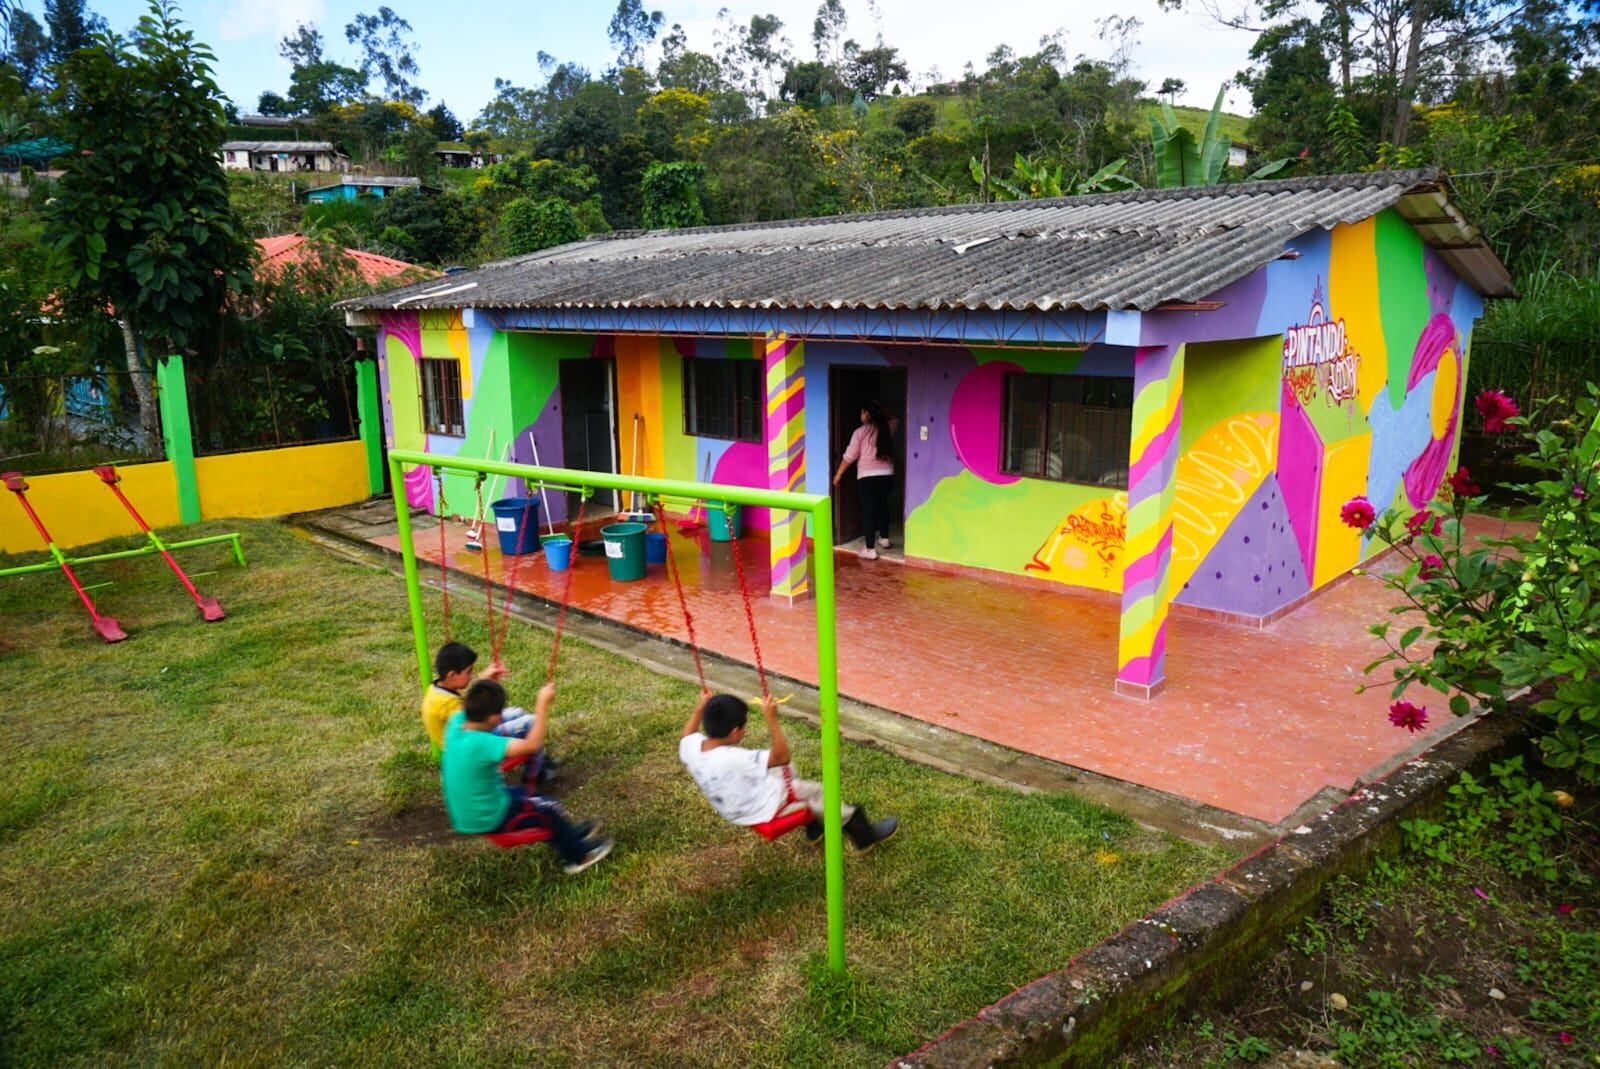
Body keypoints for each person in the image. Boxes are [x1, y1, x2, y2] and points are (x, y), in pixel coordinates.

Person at [678, 690, 898, 851]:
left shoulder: (693, 747)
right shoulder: (735, 758)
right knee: (819, 792)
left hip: (735, 804)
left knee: (784, 769)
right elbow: (781, 756)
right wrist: (772, 719)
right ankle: (862, 834)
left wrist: (700, 707)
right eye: (745, 725)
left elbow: (687, 735)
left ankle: (814, 830)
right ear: (735, 731)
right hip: (764, 809)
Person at [442, 679, 612, 875]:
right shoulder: (482, 743)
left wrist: (489, 679)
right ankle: (578, 857)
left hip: (469, 811)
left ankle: (568, 835)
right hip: (490, 816)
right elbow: (532, 745)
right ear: (493, 718)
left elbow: (477, 702)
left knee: (535, 801)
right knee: (549, 810)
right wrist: (542, 704)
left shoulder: (456, 724)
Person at [422, 641, 559, 784]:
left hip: (469, 734)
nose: (471, 675)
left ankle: (538, 760)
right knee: (532, 722)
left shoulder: (436, 690)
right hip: (471, 747)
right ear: (451, 675)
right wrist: (485, 686)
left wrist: (484, 681)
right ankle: (534, 774)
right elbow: (475, 722)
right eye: (468, 671)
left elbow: (471, 710)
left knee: (517, 713)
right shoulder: (447, 705)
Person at [833, 400, 896, 560]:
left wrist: (838, 474)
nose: (860, 415)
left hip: (868, 477)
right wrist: (880, 407)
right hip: (887, 475)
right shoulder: (887, 428)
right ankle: (884, 538)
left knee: (869, 511)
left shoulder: (860, 432)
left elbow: (850, 456)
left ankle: (869, 549)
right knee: (882, 505)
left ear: (867, 414)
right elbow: (895, 419)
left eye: (862, 412)